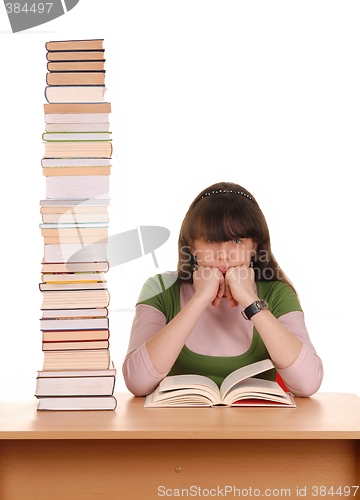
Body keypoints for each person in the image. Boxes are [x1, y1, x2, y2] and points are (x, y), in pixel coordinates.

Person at [122, 181, 323, 397]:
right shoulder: (159, 288)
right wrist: (200, 299)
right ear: (191, 246)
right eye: (211, 240)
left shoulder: (277, 293)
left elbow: (308, 383)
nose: (223, 254)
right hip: (178, 429)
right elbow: (137, 382)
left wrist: (248, 298)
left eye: (236, 240)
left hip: (258, 428)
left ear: (254, 246)